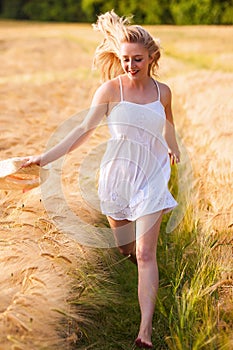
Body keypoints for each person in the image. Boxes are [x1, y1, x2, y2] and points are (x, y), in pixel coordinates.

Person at [22, 10, 180, 349]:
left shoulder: (162, 91)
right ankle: (138, 270)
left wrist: (173, 146)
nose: (131, 65)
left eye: (137, 59)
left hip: (152, 176)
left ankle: (145, 332)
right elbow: (83, 130)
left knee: (145, 252)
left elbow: (168, 122)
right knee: (126, 248)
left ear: (152, 57)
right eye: (125, 59)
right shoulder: (109, 90)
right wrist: (44, 158)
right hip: (117, 177)